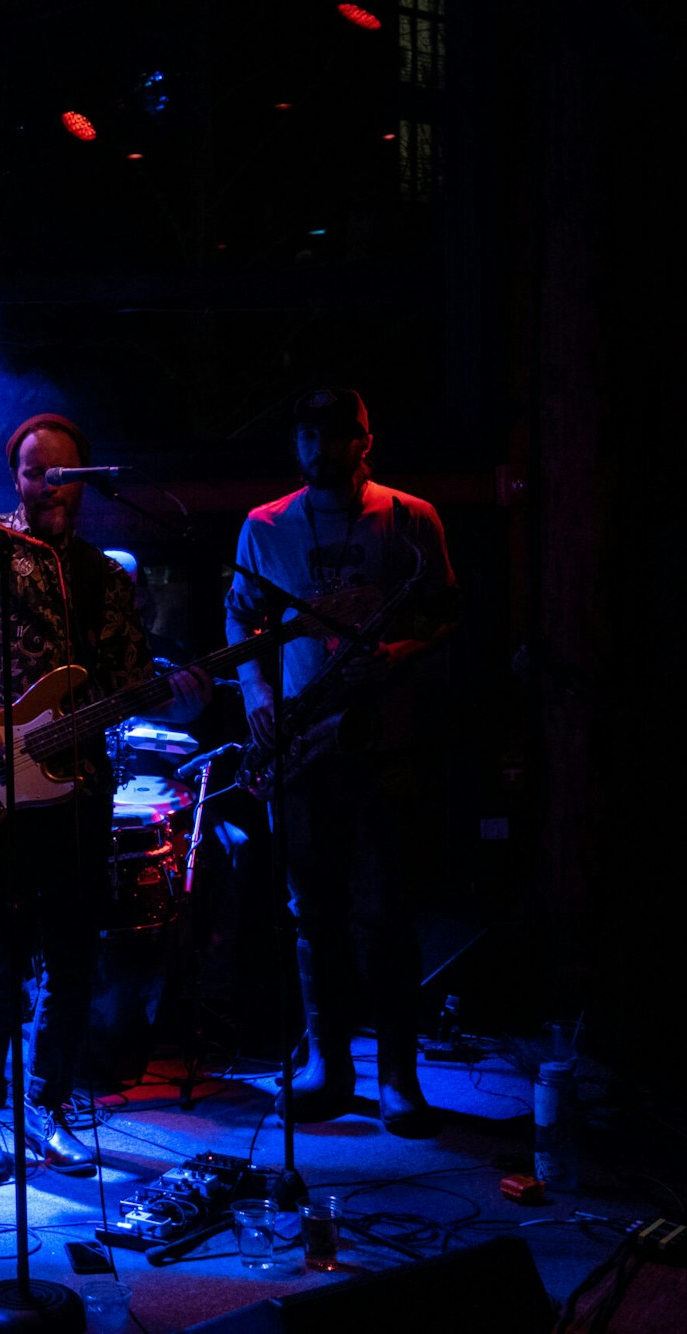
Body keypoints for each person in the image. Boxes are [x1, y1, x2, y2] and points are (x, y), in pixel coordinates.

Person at [0, 414, 209, 1183]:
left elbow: (127, 683)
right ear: (14, 478)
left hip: (78, 785)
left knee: (74, 957)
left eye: (62, 473)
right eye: (34, 472)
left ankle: (49, 1109)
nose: (48, 485)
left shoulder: (105, 578)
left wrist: (175, 695)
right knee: (1, 949)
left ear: (84, 480)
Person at [224, 387, 458, 1137]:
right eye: (307, 435)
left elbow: (447, 619)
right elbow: (240, 617)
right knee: (311, 912)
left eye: (333, 435)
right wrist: (258, 691)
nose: (317, 449)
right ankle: (328, 1064)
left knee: (385, 913)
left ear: (365, 441)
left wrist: (397, 652)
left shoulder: (411, 518)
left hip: (382, 742)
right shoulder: (265, 525)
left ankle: (397, 1075)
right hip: (302, 741)